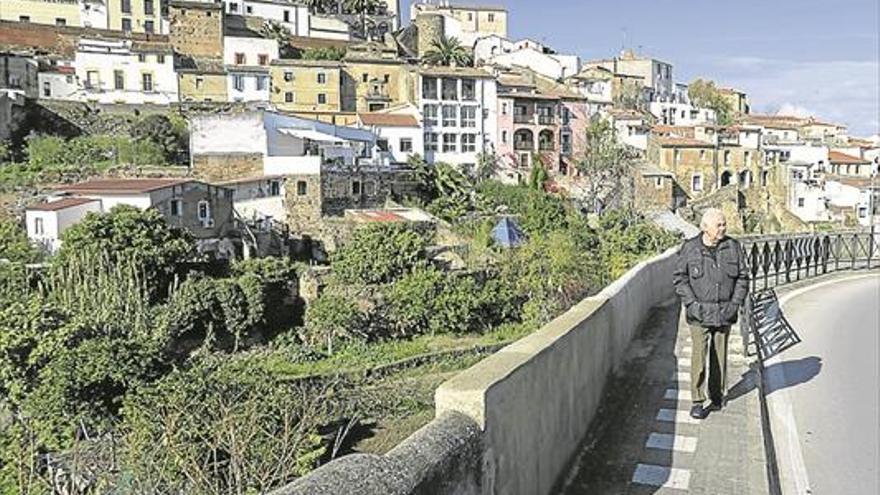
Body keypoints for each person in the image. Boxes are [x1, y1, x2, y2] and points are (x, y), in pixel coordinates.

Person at [672, 208, 749, 420]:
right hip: (700, 313)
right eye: (719, 225)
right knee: (699, 356)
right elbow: (680, 279)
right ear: (705, 227)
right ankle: (697, 400)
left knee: (719, 356)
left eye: (724, 224)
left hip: (725, 311)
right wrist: (692, 305)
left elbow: (743, 278)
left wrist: (735, 304)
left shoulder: (733, 247)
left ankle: (716, 396)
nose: (723, 228)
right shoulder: (690, 248)